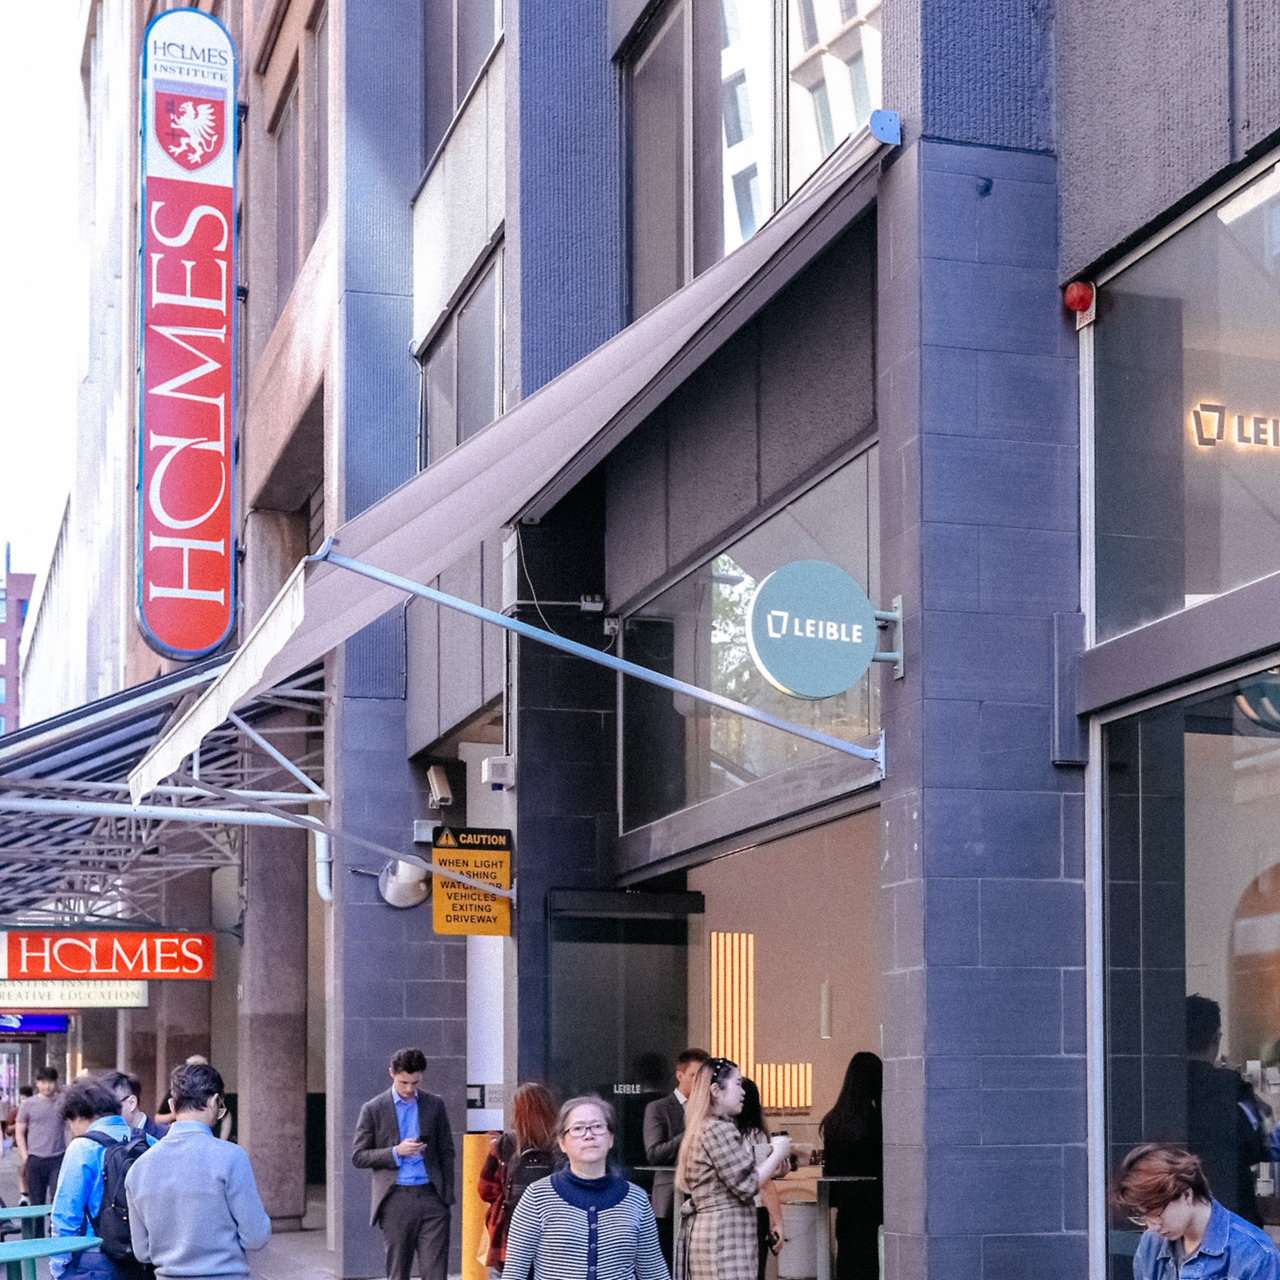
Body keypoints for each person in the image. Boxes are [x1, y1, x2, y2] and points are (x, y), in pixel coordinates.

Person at [125, 1062, 271, 1280]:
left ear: (172, 1105)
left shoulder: (138, 1168)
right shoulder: (231, 1157)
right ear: (214, 1101)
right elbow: (256, 1236)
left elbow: (142, 1252)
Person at [502, 1095, 668, 1280]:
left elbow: (654, 1272)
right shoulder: (537, 1197)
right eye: (578, 1128)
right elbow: (514, 1273)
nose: (589, 1135)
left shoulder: (636, 1198)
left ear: (611, 1139)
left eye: (597, 1127)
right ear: (562, 1143)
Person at [674, 1058, 791, 1280]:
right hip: (726, 1236)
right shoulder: (719, 1129)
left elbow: (727, 1180)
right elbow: (747, 1185)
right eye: (737, 1084)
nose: (743, 1092)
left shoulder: (702, 1126)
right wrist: (778, 1151)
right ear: (716, 1091)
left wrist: (772, 1170)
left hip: (710, 1233)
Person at [352, 1048, 456, 1280]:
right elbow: (358, 1155)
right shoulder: (373, 1108)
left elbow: (447, 1151)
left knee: (436, 1274)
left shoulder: (434, 1104)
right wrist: (395, 1152)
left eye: (415, 1082)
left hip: (432, 1197)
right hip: (395, 1199)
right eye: (404, 1082)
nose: (409, 1089)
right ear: (392, 1073)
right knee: (398, 1272)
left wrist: (446, 1195)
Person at [1114, 1142, 1280, 1278]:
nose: (1152, 1227)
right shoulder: (1151, 1244)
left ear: (1186, 1195)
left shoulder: (1255, 1254)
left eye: (1157, 1214)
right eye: (1142, 1217)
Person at [49, 1078, 151, 1280]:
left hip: (94, 1257)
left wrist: (58, 1268)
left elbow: (66, 1216)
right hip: (142, 1259)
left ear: (79, 1116)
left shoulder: (82, 1147)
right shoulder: (147, 1141)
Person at [1184, 994, 1266, 1226]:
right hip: (1231, 1211)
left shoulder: (1157, 1088)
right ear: (1216, 1039)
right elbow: (1261, 1143)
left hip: (1179, 1211)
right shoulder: (1232, 1089)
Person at [478, 1082, 560, 1273]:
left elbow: (485, 1190)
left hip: (507, 1240)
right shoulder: (562, 1145)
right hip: (552, 1239)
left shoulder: (503, 1144)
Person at [820, 1053, 884, 1280]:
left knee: (847, 1265)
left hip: (846, 1211)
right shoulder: (877, 1121)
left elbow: (830, 1170)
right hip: (873, 1210)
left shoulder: (834, 1120)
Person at [644, 1048, 708, 1267]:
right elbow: (654, 1154)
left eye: (704, 1077)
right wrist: (691, 1131)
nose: (699, 1082)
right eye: (694, 1075)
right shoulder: (659, 1108)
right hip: (670, 1199)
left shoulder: (711, 1109)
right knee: (669, 1263)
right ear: (680, 1075)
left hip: (704, 1200)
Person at [732, 1079, 783, 1280]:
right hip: (752, 1212)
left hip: (725, 1213)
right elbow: (764, 1184)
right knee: (754, 1272)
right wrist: (778, 1222)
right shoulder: (755, 1135)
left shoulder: (717, 1133)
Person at [16, 1067, 67, 1224]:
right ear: (37, 1083)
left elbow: (70, 1127)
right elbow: (19, 1131)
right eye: (43, 1082)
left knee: (57, 1200)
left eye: (50, 1082)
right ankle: (37, 1236)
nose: (47, 1086)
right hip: (35, 1159)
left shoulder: (62, 1102)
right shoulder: (28, 1104)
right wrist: (25, 1156)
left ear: (56, 1083)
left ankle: (55, 1234)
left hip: (58, 1157)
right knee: (36, 1203)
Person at [155, 1056, 229, 1140]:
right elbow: (158, 1118)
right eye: (192, 1069)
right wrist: (177, 1113)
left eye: (201, 1070)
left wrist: (222, 1140)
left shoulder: (213, 1091)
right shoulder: (176, 1091)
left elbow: (226, 1116)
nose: (196, 1074)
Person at [101, 1073, 167, 1142]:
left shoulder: (164, 1137)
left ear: (132, 1103)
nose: (103, 1115)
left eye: (110, 1106)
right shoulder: (102, 1137)